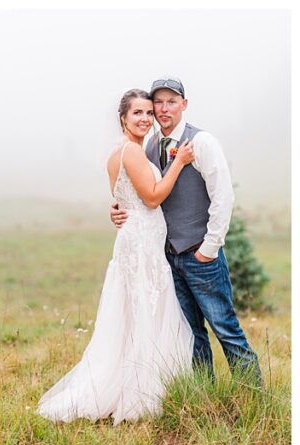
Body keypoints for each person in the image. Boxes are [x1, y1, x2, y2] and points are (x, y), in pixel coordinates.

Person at [38, 89, 194, 424]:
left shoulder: (124, 153)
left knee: (134, 314)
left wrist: (118, 211)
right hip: (141, 243)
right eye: (137, 113)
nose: (145, 119)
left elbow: (123, 198)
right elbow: (152, 198)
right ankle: (141, 392)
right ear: (122, 118)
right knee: (147, 313)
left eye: (149, 113)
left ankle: (132, 383)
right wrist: (179, 163)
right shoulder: (132, 153)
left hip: (136, 239)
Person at [110, 77, 262, 385]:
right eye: (159, 103)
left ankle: (252, 395)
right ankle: (204, 393)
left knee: (225, 327)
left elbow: (223, 196)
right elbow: (145, 192)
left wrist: (209, 247)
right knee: (191, 333)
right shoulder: (150, 146)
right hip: (166, 257)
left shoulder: (201, 142)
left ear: (184, 104)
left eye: (171, 102)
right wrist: (117, 208)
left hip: (199, 253)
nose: (164, 109)